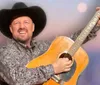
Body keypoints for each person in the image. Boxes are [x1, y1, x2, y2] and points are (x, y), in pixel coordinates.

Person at [0, 2, 99, 85]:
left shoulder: (44, 47)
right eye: (16, 23)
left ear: (33, 27)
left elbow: (71, 42)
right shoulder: (4, 53)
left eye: (26, 22)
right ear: (11, 29)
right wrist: (54, 68)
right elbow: (18, 79)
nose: (22, 26)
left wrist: (94, 24)